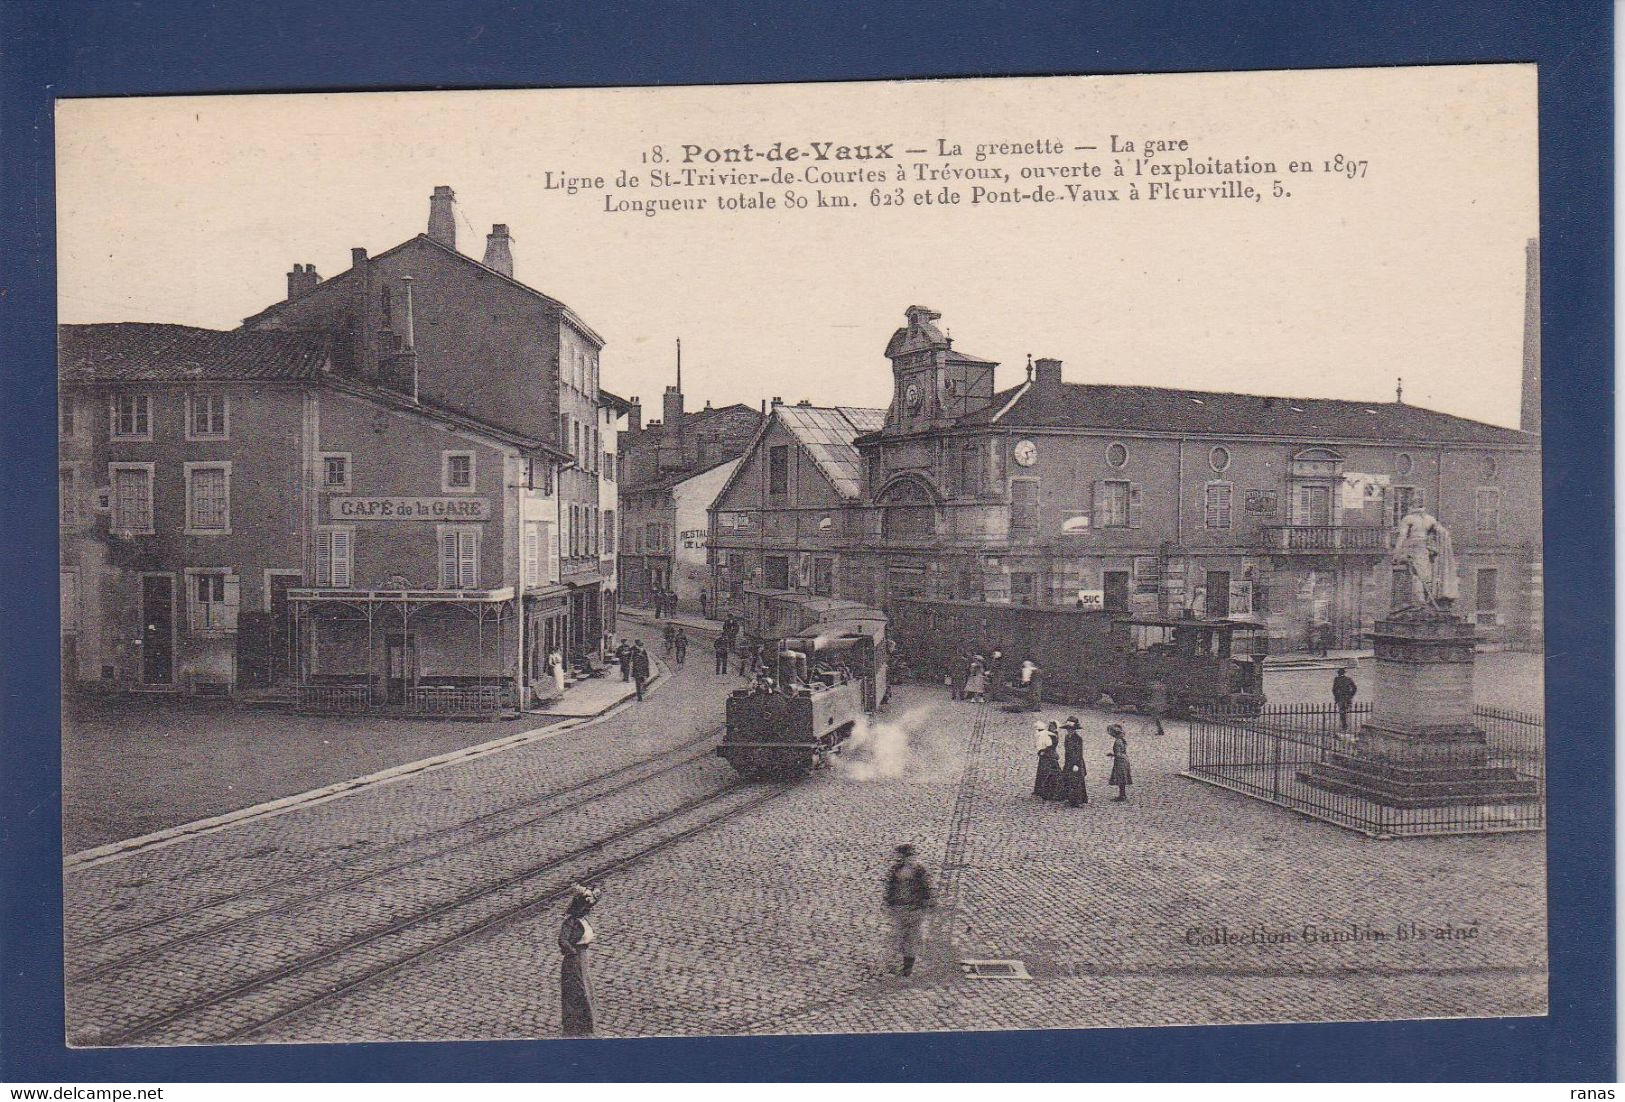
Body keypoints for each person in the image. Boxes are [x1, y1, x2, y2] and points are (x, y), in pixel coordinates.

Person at [558, 883, 601, 1037]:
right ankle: (574, 1025)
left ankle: (585, 1024)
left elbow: (597, 894)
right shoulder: (570, 922)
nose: (588, 910)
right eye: (585, 907)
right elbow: (563, 940)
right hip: (574, 959)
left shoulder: (582, 920)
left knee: (585, 990)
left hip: (583, 958)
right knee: (577, 991)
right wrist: (572, 953)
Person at [883, 843, 933, 976]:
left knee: (911, 938)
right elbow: (890, 889)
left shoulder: (919, 871)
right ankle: (895, 964)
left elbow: (926, 890)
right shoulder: (895, 870)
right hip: (900, 909)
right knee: (898, 937)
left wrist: (924, 906)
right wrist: (890, 903)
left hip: (914, 910)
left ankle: (907, 968)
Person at [1061, 717, 1087, 806]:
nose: (1069, 730)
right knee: (1068, 780)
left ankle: (1077, 801)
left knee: (1076, 782)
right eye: (1068, 729)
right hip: (1068, 762)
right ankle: (1070, 799)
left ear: (1075, 729)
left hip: (1076, 762)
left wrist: (1076, 764)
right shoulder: (1067, 737)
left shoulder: (1078, 739)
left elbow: (1079, 752)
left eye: (1071, 729)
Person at [1034, 721, 1061, 801]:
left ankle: (1049, 790)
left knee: (1050, 772)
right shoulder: (1047, 733)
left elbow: (1052, 745)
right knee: (1042, 771)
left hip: (1050, 754)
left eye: (1053, 726)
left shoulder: (1054, 735)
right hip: (1046, 754)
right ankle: (1039, 789)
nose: (1051, 728)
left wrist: (1044, 750)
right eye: (1050, 726)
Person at [1106, 723, 1133, 802]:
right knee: (1122, 778)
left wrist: (1112, 754)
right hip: (1125, 759)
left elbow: (1118, 753)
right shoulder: (1122, 740)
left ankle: (1122, 795)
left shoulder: (1117, 742)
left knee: (1120, 778)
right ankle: (1123, 794)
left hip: (1120, 761)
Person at [1332, 667, 1358, 733]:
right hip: (1348, 697)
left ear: (1338, 673)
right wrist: (1351, 695)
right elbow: (1354, 688)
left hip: (1341, 697)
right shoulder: (1348, 679)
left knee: (1342, 711)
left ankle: (1344, 725)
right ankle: (1346, 724)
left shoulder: (1337, 679)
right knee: (1347, 710)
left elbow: (1334, 689)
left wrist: (1336, 697)